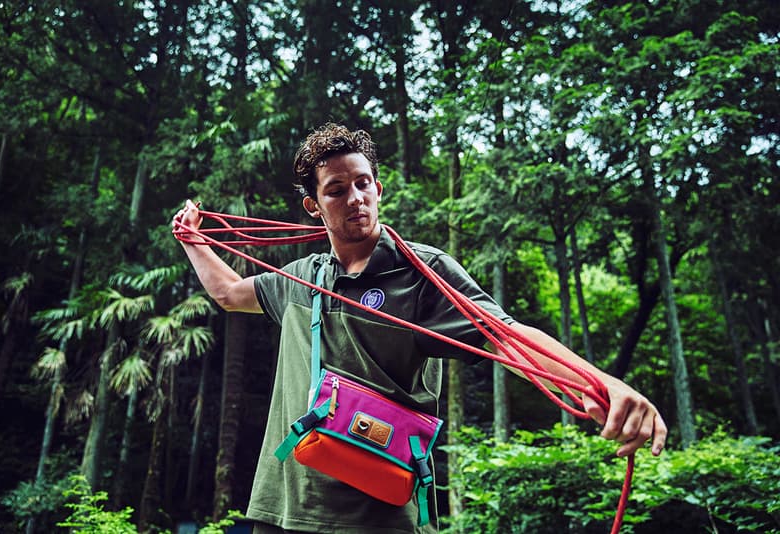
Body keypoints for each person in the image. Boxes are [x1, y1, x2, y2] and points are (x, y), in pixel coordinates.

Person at [173, 123, 667, 533]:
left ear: (379, 188)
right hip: (281, 509)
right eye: (337, 190)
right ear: (313, 205)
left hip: (376, 513)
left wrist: (603, 385)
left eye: (364, 183)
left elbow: (506, 334)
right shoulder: (300, 278)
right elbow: (229, 293)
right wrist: (192, 239)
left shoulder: (422, 273)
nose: (355, 198)